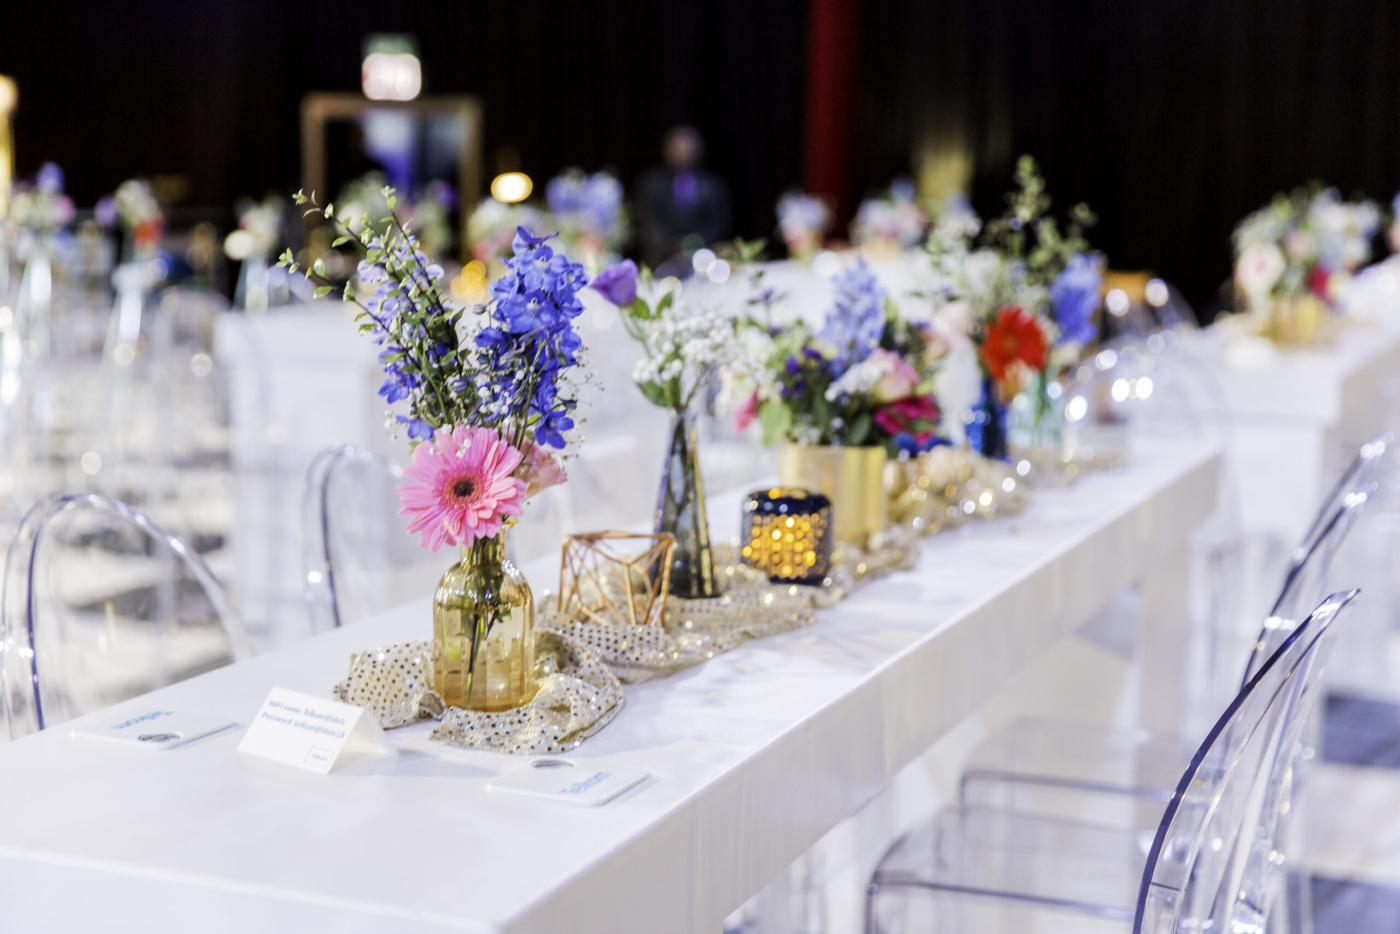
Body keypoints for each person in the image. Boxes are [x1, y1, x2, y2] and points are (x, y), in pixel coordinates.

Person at [635, 126, 731, 273]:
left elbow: (718, 223)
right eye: (678, 147)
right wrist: (672, 246)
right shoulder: (652, 184)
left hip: (704, 262)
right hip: (661, 262)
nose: (683, 152)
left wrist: (691, 245)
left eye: (688, 147)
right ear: (667, 150)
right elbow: (648, 223)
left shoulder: (711, 185)